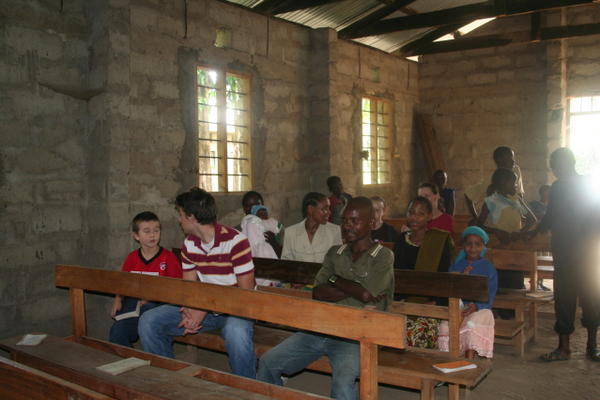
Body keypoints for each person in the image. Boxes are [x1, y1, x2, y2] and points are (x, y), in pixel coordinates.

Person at [257, 197, 395, 399]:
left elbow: (368, 293)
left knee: (342, 382)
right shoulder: (334, 253)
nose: (347, 226)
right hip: (320, 328)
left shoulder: (383, 256)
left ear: (371, 223)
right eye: (345, 220)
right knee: (268, 362)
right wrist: (355, 287)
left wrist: (335, 281)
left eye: (354, 221)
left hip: (356, 336)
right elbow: (318, 292)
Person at [138, 188, 257, 378]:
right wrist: (190, 311)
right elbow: (189, 288)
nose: (179, 220)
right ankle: (171, 380)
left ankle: (249, 389)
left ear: (192, 217)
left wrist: (201, 310)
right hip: (208, 308)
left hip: (238, 310)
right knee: (149, 321)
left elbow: (245, 294)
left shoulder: (236, 241)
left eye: (181, 215)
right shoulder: (190, 244)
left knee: (236, 332)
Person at [528, 148, 600, 362]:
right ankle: (591, 346)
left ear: (564, 164)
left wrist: (534, 231)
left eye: (554, 164)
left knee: (567, 297)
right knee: (590, 296)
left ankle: (565, 348)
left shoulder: (560, 187)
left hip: (569, 250)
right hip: (587, 251)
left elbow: (551, 216)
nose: (553, 168)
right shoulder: (588, 184)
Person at [108, 212, 182, 348]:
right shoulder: (132, 258)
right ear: (136, 236)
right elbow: (123, 283)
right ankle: (126, 362)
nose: (152, 235)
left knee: (148, 312)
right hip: (134, 305)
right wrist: (118, 300)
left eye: (156, 230)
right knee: (117, 331)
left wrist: (152, 298)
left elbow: (177, 289)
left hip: (158, 305)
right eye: (146, 231)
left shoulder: (168, 258)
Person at [393, 196, 453, 348]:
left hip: (431, 303)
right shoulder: (401, 240)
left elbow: (443, 277)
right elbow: (395, 274)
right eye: (411, 212)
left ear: (429, 217)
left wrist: (434, 303)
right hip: (403, 301)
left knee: (416, 334)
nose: (414, 217)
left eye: (420, 214)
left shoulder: (439, 240)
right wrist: (399, 301)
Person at [438, 226, 497, 359]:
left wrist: (476, 306)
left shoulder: (488, 268)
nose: (473, 248)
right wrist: (462, 278)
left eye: (477, 244)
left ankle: (469, 359)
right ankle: (451, 357)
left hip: (480, 309)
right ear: (464, 246)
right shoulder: (456, 265)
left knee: (473, 323)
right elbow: (450, 288)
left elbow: (491, 294)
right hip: (459, 307)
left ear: (483, 247)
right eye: (469, 244)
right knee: (444, 326)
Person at [464, 146, 525, 222]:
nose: (513, 161)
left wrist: (521, 214)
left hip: (513, 221)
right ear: (500, 160)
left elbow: (519, 194)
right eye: (510, 158)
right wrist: (476, 217)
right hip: (498, 223)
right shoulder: (492, 179)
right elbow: (468, 195)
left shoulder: (516, 170)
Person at [281, 192, 342, 263]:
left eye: (329, 208)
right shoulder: (290, 233)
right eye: (325, 209)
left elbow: (338, 260)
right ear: (310, 209)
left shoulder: (334, 231)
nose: (329, 212)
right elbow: (286, 262)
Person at [241, 191, 282, 257]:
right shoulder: (238, 230)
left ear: (262, 205)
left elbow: (284, 256)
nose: (252, 209)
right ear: (244, 209)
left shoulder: (275, 227)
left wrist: (273, 242)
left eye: (256, 205)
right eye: (248, 206)